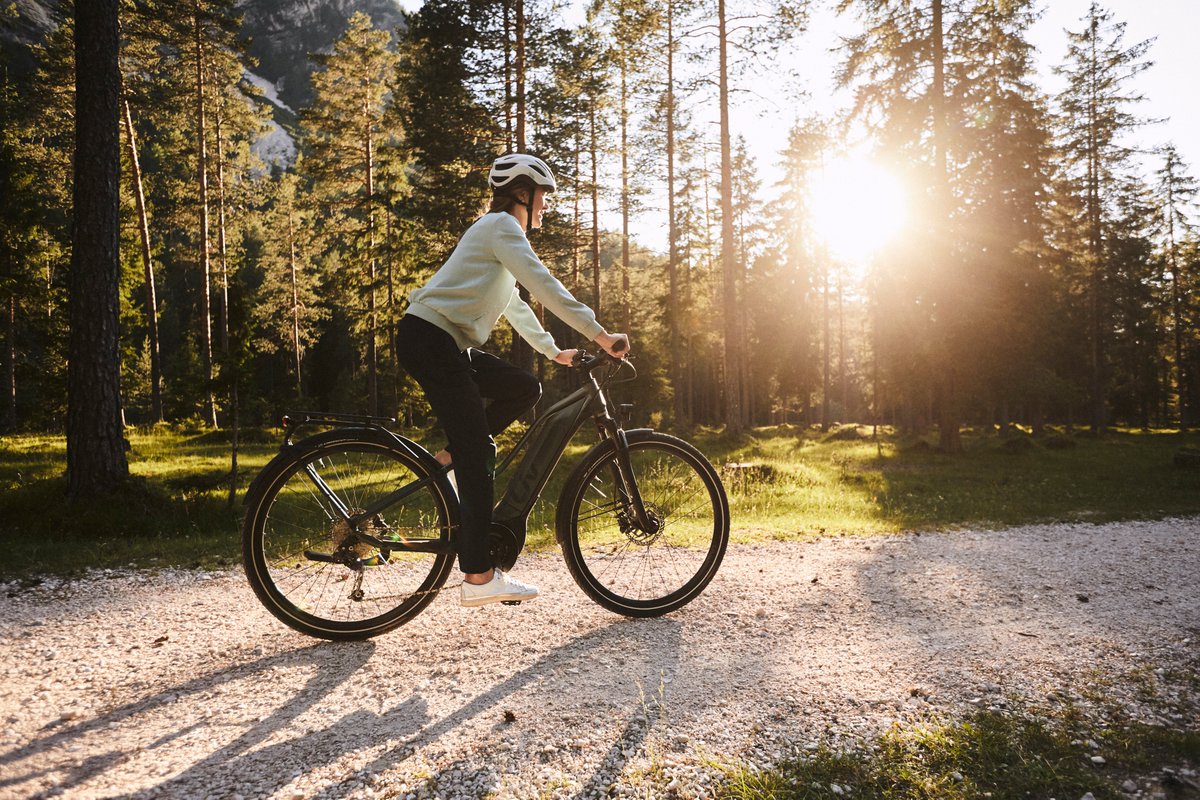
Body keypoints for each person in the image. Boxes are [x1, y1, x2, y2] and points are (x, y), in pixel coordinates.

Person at [396, 153, 629, 608]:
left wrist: (553, 351)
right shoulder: (501, 227)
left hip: (440, 341)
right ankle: (479, 577)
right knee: (479, 451)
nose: (546, 206)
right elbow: (544, 285)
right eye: (543, 197)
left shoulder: (498, 235)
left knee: (525, 388)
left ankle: (448, 456)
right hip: (431, 340)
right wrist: (599, 335)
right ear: (523, 193)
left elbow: (517, 302)